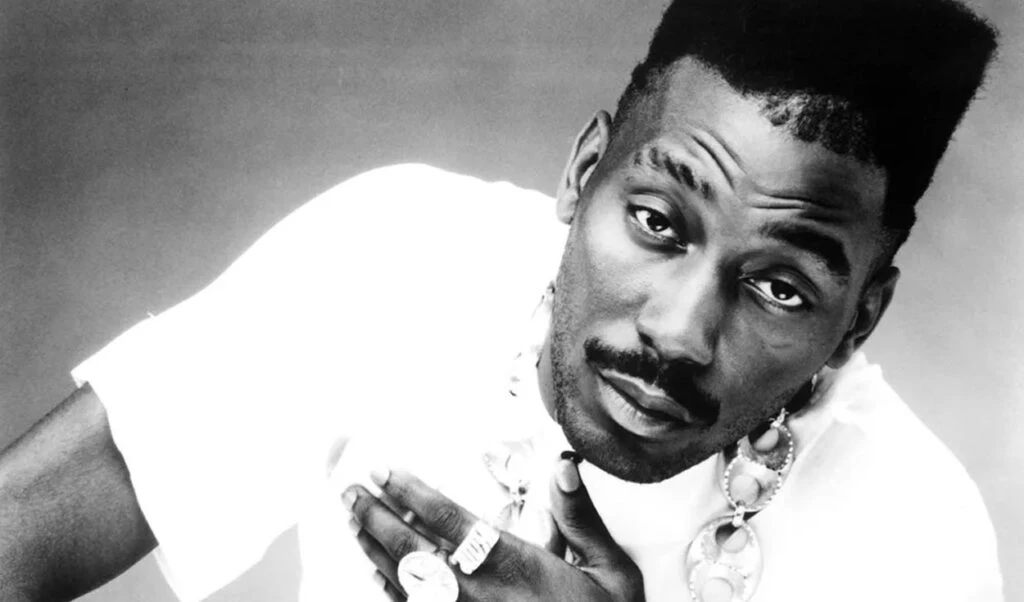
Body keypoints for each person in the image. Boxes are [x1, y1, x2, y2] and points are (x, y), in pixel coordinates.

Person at [0, 0, 1005, 600]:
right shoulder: (395, 257)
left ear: (859, 316)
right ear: (583, 171)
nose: (678, 331)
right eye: (657, 220)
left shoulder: (916, 540)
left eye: (781, 285)